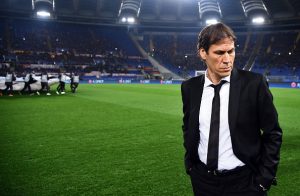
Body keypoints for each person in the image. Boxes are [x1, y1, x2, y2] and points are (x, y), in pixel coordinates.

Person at [181, 23, 282, 196]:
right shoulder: (190, 87)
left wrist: (263, 180)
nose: (227, 59)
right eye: (219, 53)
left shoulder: (254, 84)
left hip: (245, 182)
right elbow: (188, 127)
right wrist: (190, 165)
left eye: (231, 51)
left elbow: (272, 133)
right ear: (203, 53)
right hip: (202, 181)